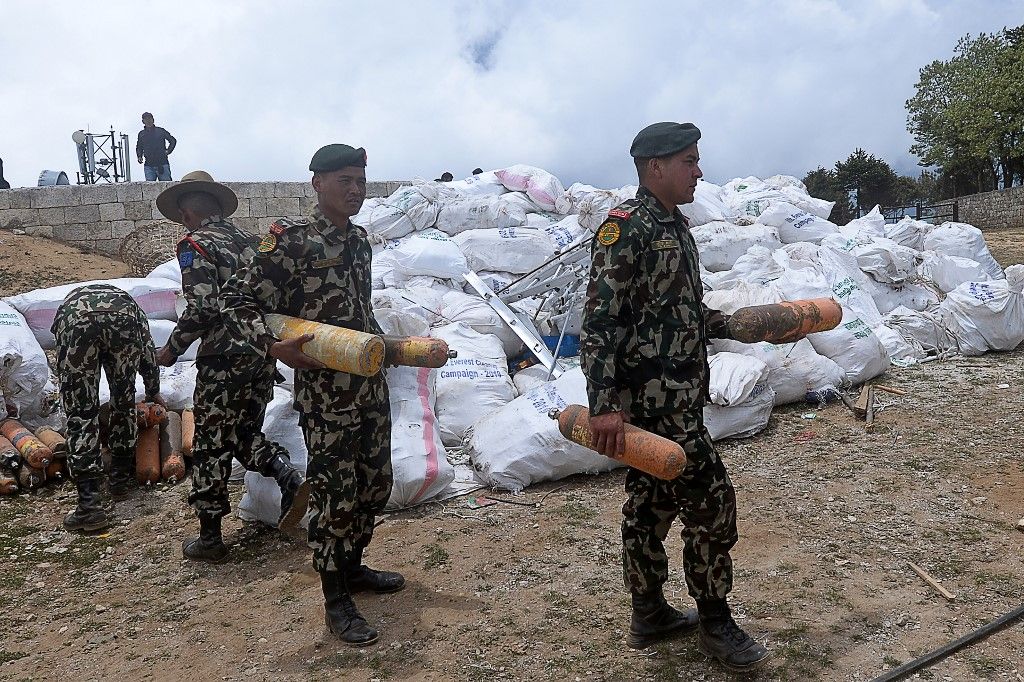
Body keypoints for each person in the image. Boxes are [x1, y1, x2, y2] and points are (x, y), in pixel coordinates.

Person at [579, 122, 770, 672]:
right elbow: (600, 322)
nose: (699, 171)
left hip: (681, 396)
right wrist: (604, 404)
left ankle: (649, 613)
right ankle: (715, 621)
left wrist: (730, 323)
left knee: (650, 504)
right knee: (712, 503)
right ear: (655, 167)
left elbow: (673, 311)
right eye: (689, 161)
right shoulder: (626, 228)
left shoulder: (675, 225)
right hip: (654, 402)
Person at [219, 144, 403, 646]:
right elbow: (236, 300)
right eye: (345, 180)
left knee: (374, 483)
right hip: (326, 394)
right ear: (317, 183)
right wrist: (271, 345)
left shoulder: (359, 242)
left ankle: (354, 567)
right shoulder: (291, 241)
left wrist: (386, 347)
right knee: (334, 492)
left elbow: (359, 311)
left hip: (368, 382)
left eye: (360, 181)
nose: (355, 190)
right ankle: (335, 597)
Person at [153, 170, 307, 563]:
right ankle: (287, 474)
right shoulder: (253, 243)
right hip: (263, 351)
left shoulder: (194, 244)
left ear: (187, 213)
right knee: (242, 432)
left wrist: (172, 349)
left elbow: (203, 307)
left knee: (210, 442)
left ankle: (210, 538)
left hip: (224, 358)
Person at [52, 283, 164, 532]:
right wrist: (153, 389)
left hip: (77, 322)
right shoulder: (132, 306)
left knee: (81, 413)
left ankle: (90, 505)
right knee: (124, 403)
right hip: (124, 321)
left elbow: (62, 357)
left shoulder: (69, 306)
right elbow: (147, 350)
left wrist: (72, 388)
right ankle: (119, 481)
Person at [136, 112, 176, 181]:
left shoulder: (160, 131)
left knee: (166, 185)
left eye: (149, 119)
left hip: (162, 163)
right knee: (149, 186)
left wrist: (168, 151)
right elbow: (139, 147)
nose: (148, 121)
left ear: (153, 120)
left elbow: (173, 140)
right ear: (143, 121)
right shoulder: (141, 134)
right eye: (146, 119)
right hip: (149, 165)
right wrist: (139, 156)